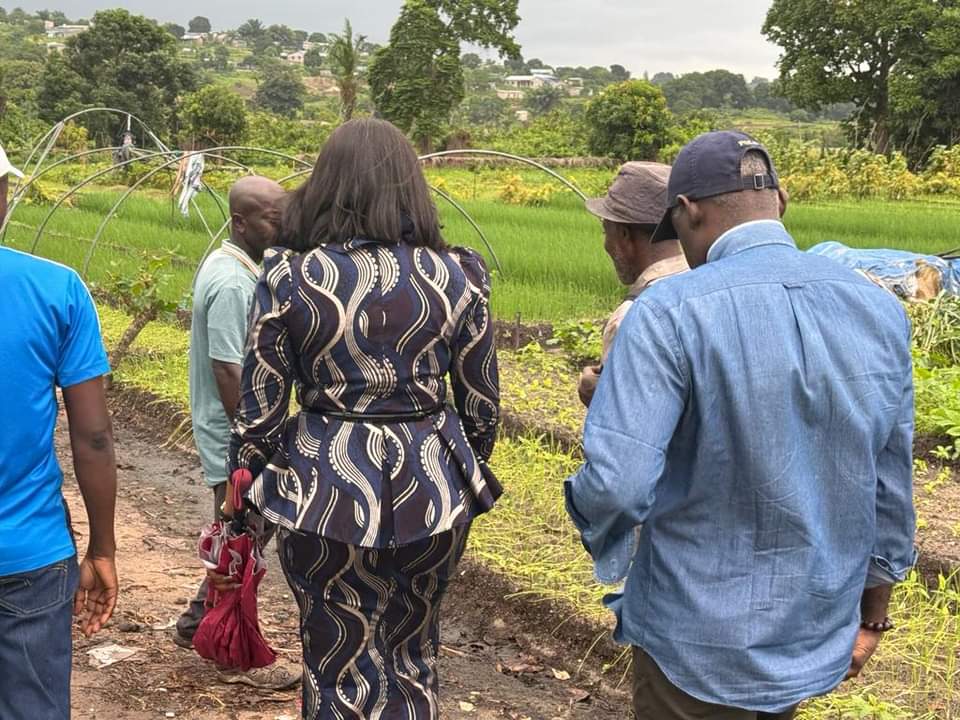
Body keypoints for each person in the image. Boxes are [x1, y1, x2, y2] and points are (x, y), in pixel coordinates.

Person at [565, 131, 916, 719]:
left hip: (693, 636)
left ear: (688, 211)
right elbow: (890, 478)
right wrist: (872, 612)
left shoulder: (666, 313)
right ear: (780, 202)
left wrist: (601, 534)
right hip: (813, 625)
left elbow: (617, 486)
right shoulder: (878, 306)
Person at [227, 118, 501, 720]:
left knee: (333, 654)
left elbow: (261, 412)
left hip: (320, 484)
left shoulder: (288, 274)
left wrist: (243, 500)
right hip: (434, 483)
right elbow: (481, 404)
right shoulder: (460, 273)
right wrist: (464, 467)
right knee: (414, 652)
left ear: (325, 187)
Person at [0, 142, 118, 719]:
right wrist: (102, 547)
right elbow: (92, 436)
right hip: (30, 553)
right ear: (4, 197)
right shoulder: (56, 288)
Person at [174, 175, 298, 690]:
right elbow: (230, 369)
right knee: (241, 541)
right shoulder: (232, 282)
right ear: (240, 222)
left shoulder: (246, 270)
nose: (284, 226)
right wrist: (256, 443)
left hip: (239, 434)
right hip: (235, 438)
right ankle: (228, 654)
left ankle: (195, 623)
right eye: (274, 218)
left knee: (241, 534)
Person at [578, 162, 688, 406]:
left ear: (624, 235)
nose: (606, 244)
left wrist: (596, 395)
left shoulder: (632, 317)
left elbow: (623, 423)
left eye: (607, 232)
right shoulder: (711, 287)